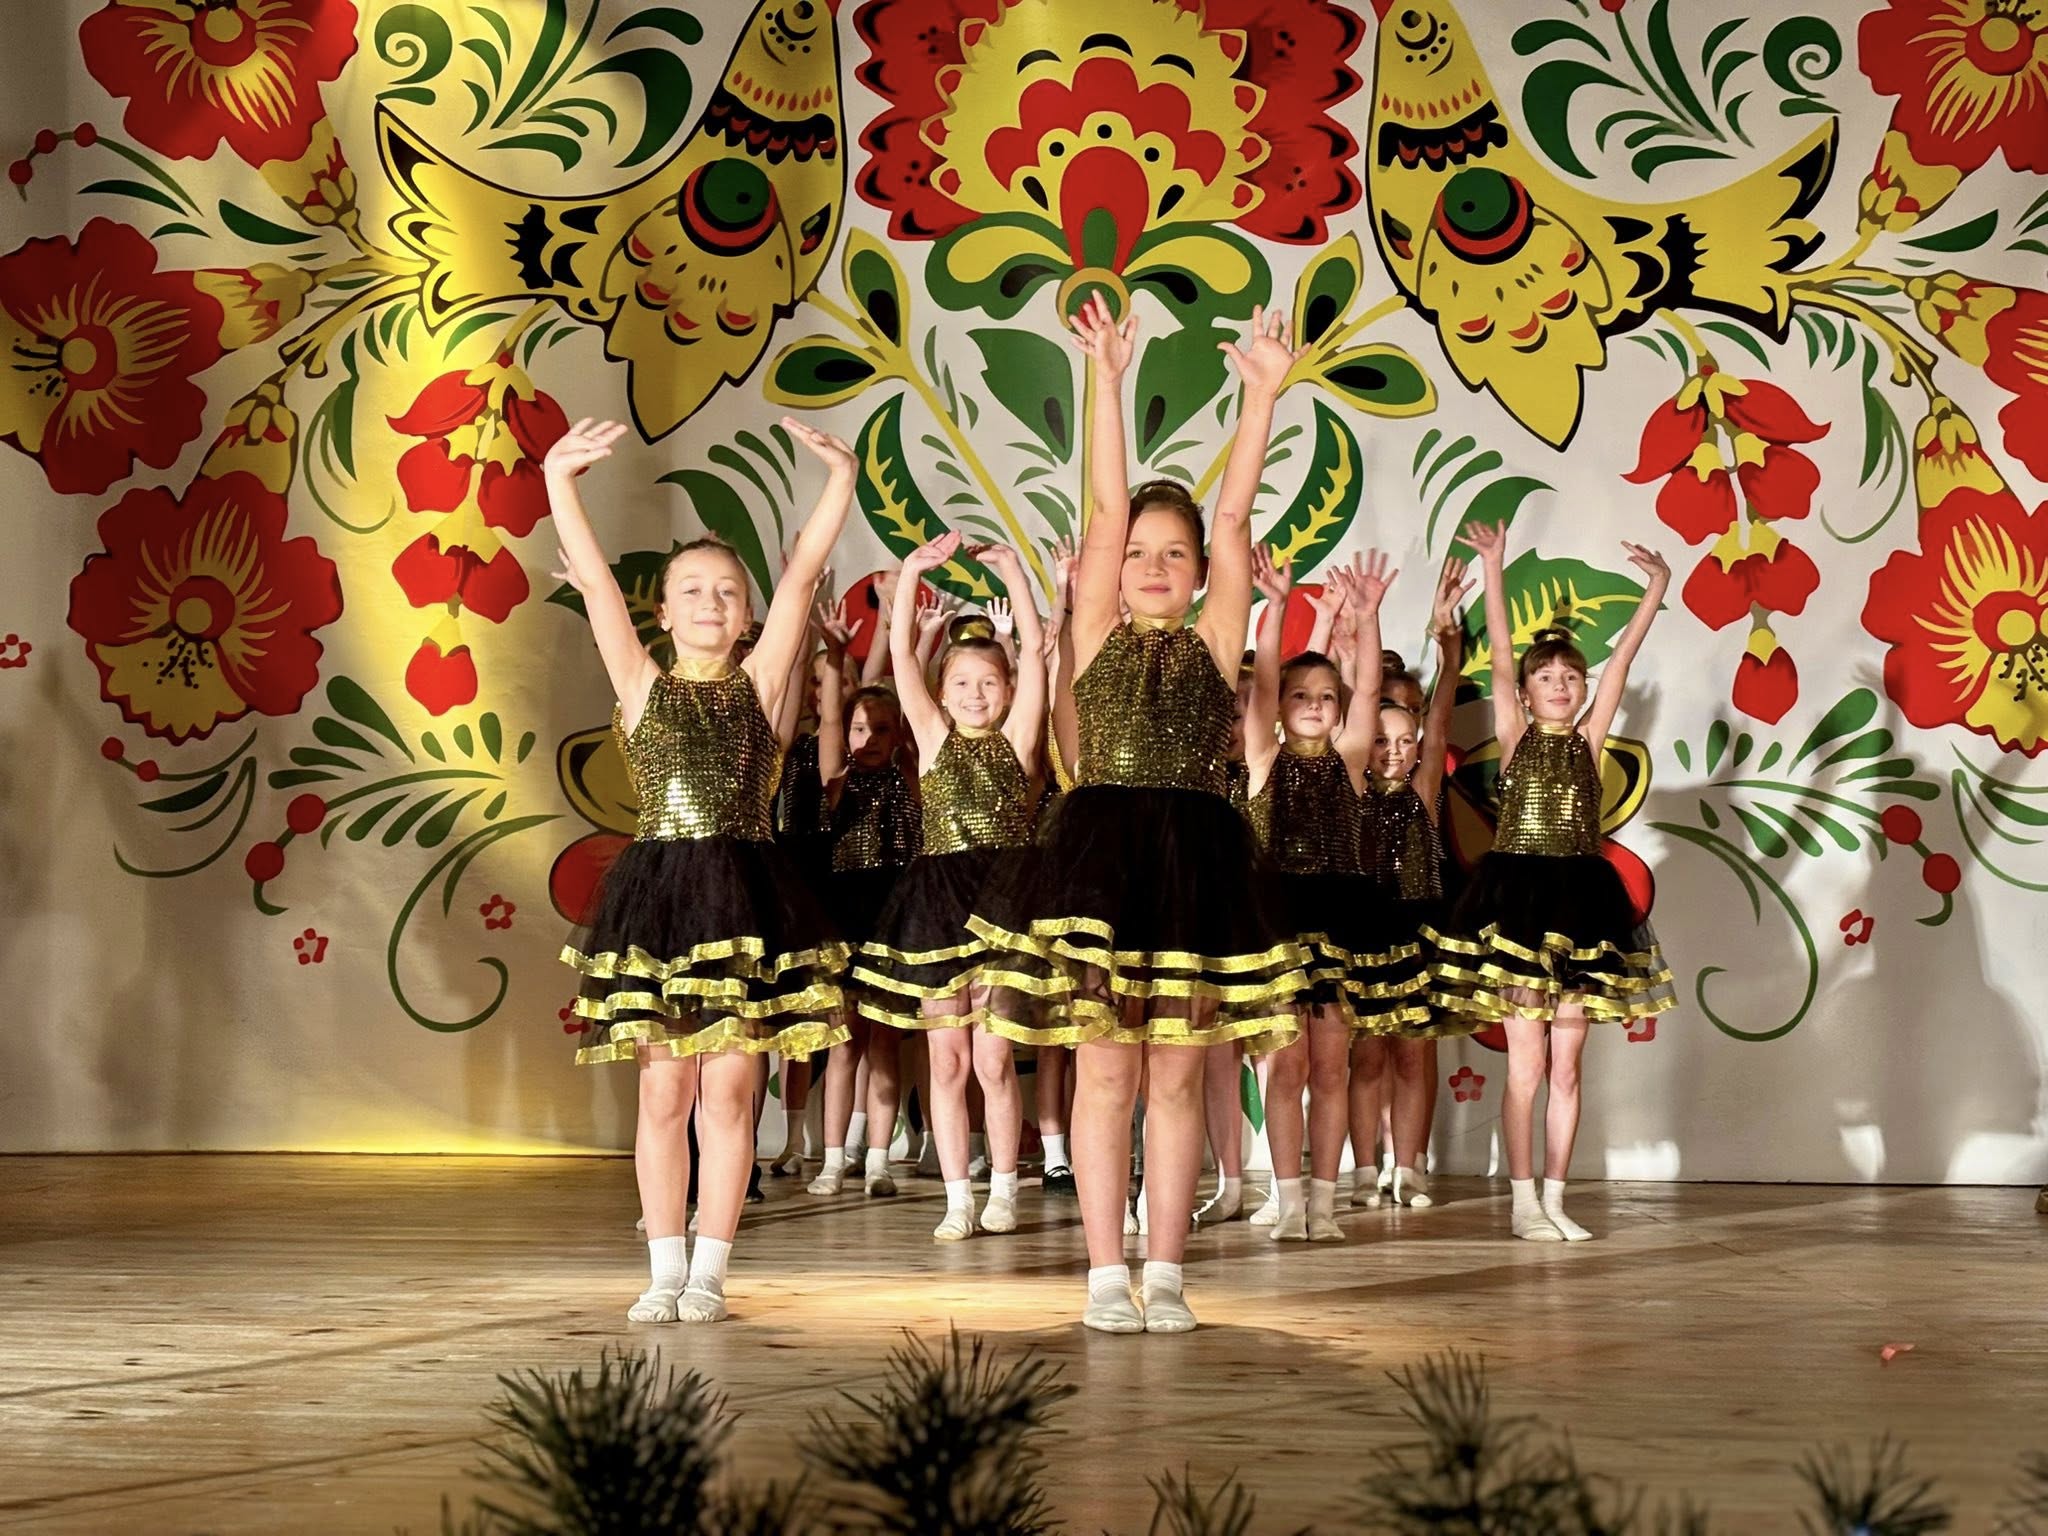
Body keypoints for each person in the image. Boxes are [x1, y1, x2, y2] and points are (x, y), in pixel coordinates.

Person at [969, 297, 1309, 1332]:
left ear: (1203, 575)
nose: (1154, 565)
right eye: (1138, 553)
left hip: (1194, 863)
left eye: (1176, 554)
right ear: (1107, 570)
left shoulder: (1215, 636)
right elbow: (1106, 504)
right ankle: (1104, 1274)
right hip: (1101, 860)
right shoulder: (1092, 627)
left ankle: (1165, 1271)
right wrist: (1106, 378)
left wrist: (1261, 398)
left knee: (1177, 1077)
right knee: (1106, 1073)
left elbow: (1236, 519)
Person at [549, 414, 856, 1322]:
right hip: (662, 902)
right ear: (665, 612)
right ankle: (663, 1268)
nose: (711, 603)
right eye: (692, 590)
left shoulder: (762, 684)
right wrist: (559, 482)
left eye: (727, 591)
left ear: (747, 615)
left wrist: (840, 479)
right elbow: (595, 585)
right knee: (663, 1090)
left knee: (729, 1089)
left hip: (745, 897)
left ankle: (711, 1270)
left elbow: (802, 575)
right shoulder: (642, 685)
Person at [1430, 522, 1676, 1242]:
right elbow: (1503, 654)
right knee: (1527, 1067)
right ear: (1527, 692)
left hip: (1580, 902)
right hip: (1517, 902)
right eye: (1547, 678)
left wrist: (1658, 586)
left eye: (1571, 677)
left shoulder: (1591, 739)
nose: (1560, 685)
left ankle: (1557, 1197)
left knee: (1567, 1067)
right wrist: (1494, 565)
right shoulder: (1514, 732)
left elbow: (1623, 658)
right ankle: (1522, 1201)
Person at [855, 532, 1046, 1239]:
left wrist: (1017, 576)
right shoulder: (933, 739)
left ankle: (1004, 1188)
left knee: (994, 1059)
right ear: (942, 694)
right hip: (938, 906)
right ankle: (958, 1197)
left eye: (989, 683)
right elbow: (902, 657)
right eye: (962, 684)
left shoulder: (1018, 738)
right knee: (947, 1059)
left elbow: (1036, 652)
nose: (975, 694)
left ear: (1008, 691)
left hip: (1002, 903)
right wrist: (910, 574)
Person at [1245, 550, 1414, 1241]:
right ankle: (1288, 1202)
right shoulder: (1262, 757)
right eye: (1300, 695)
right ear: (1280, 708)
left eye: (1325, 696)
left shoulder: (1349, 759)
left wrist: (1367, 618)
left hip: (1340, 921)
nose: (1315, 705)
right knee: (1284, 1067)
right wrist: (1276, 606)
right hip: (1276, 921)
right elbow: (1261, 683)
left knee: (1331, 1067)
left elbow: (1369, 688)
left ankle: (1323, 1202)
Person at [1361, 561, 1474, 1211]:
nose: (1395, 749)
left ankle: (1410, 1166)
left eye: (1407, 736)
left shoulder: (1424, 784)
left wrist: (1447, 650)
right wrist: (1362, 619)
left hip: (1418, 927)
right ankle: (1367, 1167)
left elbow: (1441, 717)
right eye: (1382, 738)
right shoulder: (1348, 782)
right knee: (1367, 1055)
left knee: (1412, 1051)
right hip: (1364, 929)